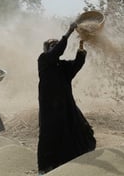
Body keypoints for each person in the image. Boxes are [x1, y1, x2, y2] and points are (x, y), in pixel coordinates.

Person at [37, 23, 96, 174]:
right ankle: (46, 167)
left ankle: (73, 159)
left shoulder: (62, 66)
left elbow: (77, 64)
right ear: (47, 49)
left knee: (76, 128)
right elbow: (56, 52)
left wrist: (81, 46)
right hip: (50, 107)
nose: (55, 47)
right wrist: (69, 32)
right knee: (50, 134)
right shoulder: (44, 60)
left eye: (56, 45)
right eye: (52, 45)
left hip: (65, 105)